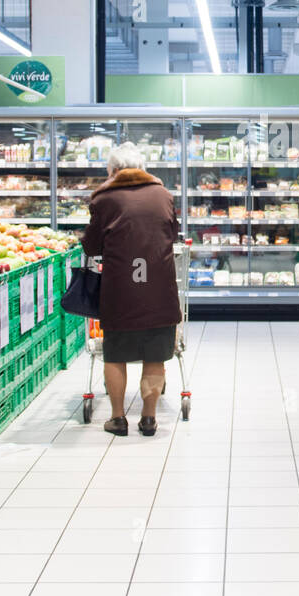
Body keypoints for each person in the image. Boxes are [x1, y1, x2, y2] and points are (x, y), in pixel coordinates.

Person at [79, 142, 181, 437]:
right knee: (155, 356)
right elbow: (172, 233)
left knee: (115, 354)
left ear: (112, 171)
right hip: (159, 287)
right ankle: (149, 419)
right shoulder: (163, 194)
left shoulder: (104, 198)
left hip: (121, 289)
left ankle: (118, 418)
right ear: (142, 168)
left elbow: (92, 245)